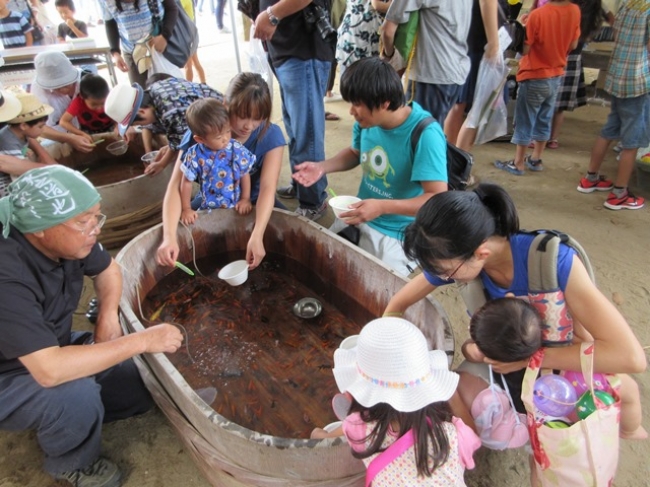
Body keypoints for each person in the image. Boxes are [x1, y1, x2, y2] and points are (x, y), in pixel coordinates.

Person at [383, 184, 647, 442]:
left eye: (445, 273)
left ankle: (606, 431)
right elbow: (399, 302)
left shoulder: (553, 261)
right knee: (453, 397)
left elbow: (631, 357)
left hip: (563, 365)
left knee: (610, 403)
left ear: (481, 253)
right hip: (506, 360)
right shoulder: (459, 257)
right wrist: (387, 330)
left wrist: (529, 361)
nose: (439, 278)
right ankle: (504, 434)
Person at [0, 165, 183, 487]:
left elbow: (109, 270)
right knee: (74, 394)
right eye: (84, 222)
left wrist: (108, 319)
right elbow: (49, 370)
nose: (95, 229)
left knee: (137, 384)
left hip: (50, 343)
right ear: (39, 229)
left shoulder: (68, 240)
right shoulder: (7, 276)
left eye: (97, 217)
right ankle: (71, 463)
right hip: (10, 373)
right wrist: (141, 340)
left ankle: (75, 416)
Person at [291, 57, 448, 277]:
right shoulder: (367, 123)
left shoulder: (425, 134)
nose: (351, 112)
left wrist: (382, 207)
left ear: (384, 102)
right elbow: (356, 153)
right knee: (321, 259)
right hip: (361, 212)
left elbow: (436, 199)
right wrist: (322, 167)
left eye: (357, 104)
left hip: (399, 230)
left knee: (371, 281)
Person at [311, 317, 481, 485]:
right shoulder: (449, 435)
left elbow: (322, 440)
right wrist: (448, 392)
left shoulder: (358, 426)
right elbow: (473, 435)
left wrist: (318, 434)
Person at [462, 297, 646, 442]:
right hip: (575, 387)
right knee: (629, 389)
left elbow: (470, 353)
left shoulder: (497, 361)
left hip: (540, 410)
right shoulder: (560, 347)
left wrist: (472, 349)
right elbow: (584, 339)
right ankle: (630, 430)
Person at [156, 72, 286, 270]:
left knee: (283, 243)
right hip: (213, 199)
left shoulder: (270, 135)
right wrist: (169, 237)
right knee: (181, 237)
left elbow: (268, 188)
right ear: (226, 104)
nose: (249, 126)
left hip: (255, 201)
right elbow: (175, 186)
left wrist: (258, 233)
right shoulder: (201, 133)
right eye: (242, 116)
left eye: (258, 118)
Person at [254, 0, 333, 221]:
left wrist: (272, 14)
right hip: (285, 51)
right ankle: (301, 185)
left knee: (307, 132)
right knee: (296, 130)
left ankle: (313, 201)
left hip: (303, 48)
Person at [576, 0, 648, 210]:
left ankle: (591, 177)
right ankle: (620, 193)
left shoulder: (627, 3)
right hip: (637, 80)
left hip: (617, 75)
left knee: (609, 129)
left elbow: (617, 34)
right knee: (632, 141)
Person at [493, 0, 580, 175]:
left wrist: (524, 26)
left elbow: (525, 50)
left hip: (534, 74)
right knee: (544, 117)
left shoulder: (537, 15)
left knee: (525, 119)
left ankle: (518, 163)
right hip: (556, 74)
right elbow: (573, 45)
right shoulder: (574, 10)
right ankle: (536, 158)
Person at [522, 0, 605, 151]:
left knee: (541, 106)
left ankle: (532, 144)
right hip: (567, 54)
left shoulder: (566, 9)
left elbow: (527, 45)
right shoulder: (575, 9)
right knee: (555, 105)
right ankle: (548, 142)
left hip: (550, 57)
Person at [104, 77, 222, 176]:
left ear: (141, 112)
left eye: (137, 123)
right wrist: (169, 146)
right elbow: (173, 136)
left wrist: (162, 164)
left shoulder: (170, 110)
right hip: (206, 118)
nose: (140, 126)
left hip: (219, 120)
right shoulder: (153, 93)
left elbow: (183, 142)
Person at [381, 0, 472, 126]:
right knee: (432, 131)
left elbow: (387, 31)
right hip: (456, 72)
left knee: (418, 134)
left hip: (430, 74)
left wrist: (388, 55)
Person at [179, 98, 255, 224]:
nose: (225, 138)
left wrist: (245, 199)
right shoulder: (195, 155)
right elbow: (186, 182)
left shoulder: (235, 148)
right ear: (200, 139)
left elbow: (244, 174)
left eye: (228, 131)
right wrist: (186, 209)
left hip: (234, 205)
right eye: (219, 137)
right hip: (208, 207)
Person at [444, 0, 506, 150]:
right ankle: (458, 167)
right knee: (478, 112)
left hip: (466, 43)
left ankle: (450, 162)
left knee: (459, 106)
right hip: (481, 47)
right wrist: (494, 44)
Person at [30, 51, 96, 153]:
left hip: (89, 132)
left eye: (66, 85)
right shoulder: (38, 90)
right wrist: (68, 138)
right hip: (57, 139)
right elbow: (37, 127)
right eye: (56, 87)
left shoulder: (88, 81)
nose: (63, 90)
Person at [100, 0, 179, 86]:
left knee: (170, 88)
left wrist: (165, 36)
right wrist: (115, 52)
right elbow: (110, 23)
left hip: (159, 48)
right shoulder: (106, 1)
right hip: (132, 53)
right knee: (141, 91)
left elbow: (172, 8)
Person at [0, 92, 58, 197]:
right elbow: (16, 169)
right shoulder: (8, 140)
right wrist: (52, 170)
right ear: (23, 126)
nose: (43, 130)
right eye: (40, 127)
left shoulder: (20, 133)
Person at [60, 74, 114, 141]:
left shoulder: (111, 98)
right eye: (94, 104)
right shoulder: (78, 102)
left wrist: (118, 126)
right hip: (88, 132)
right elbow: (63, 121)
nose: (99, 108)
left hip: (111, 127)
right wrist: (81, 134)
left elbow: (121, 114)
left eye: (103, 103)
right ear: (82, 97)